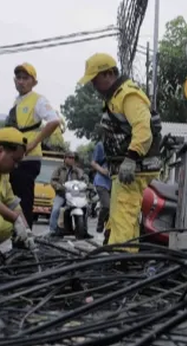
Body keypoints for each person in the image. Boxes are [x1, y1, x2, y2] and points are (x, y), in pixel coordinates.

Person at [78, 53, 162, 250]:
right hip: (124, 168)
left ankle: (121, 259)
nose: (93, 85)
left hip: (135, 167)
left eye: (95, 79)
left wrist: (131, 159)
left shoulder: (128, 94)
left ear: (108, 74)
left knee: (124, 211)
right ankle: (122, 253)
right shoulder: (115, 97)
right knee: (121, 214)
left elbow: (143, 129)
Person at [6, 63, 61, 229]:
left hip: (28, 158)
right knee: (14, 199)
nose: (21, 81)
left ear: (33, 82)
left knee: (23, 200)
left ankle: (24, 241)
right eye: (18, 78)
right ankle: (18, 237)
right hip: (15, 158)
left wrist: (33, 143)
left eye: (25, 78)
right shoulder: (17, 101)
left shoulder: (38, 100)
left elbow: (54, 121)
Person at [48, 151, 86, 236]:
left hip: (74, 196)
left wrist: (83, 183)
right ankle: (52, 230)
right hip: (61, 194)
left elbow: (83, 179)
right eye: (70, 157)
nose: (72, 160)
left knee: (86, 208)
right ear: (65, 159)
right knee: (56, 209)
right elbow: (53, 181)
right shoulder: (59, 169)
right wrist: (60, 187)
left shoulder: (77, 170)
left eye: (73, 158)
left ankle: (83, 230)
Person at [91, 141, 111, 235]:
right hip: (102, 182)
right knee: (107, 206)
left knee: (113, 211)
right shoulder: (100, 145)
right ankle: (100, 222)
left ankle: (108, 235)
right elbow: (93, 163)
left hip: (115, 182)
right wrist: (103, 171)